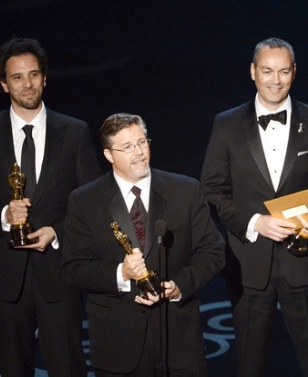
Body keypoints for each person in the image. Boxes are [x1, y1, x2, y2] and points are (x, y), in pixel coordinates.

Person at [201, 37, 308, 377]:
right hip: (248, 264)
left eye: (283, 71)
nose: (275, 80)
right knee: (250, 365)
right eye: (267, 71)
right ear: (253, 72)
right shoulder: (225, 124)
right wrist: (255, 222)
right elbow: (212, 190)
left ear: (294, 72)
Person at [0, 37, 101, 376]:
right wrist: (3, 216)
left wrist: (57, 231)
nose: (27, 84)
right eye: (18, 77)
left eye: (34, 75)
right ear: (3, 84)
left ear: (45, 78)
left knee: (68, 366)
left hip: (58, 274)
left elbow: (94, 202)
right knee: (13, 368)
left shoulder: (74, 131)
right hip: (6, 278)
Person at [61, 113, 225, 376]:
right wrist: (121, 273)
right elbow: (73, 268)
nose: (138, 152)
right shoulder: (84, 201)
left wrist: (179, 285)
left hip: (178, 340)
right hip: (118, 342)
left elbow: (213, 251)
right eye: (127, 147)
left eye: (142, 142)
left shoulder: (185, 190)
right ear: (108, 155)